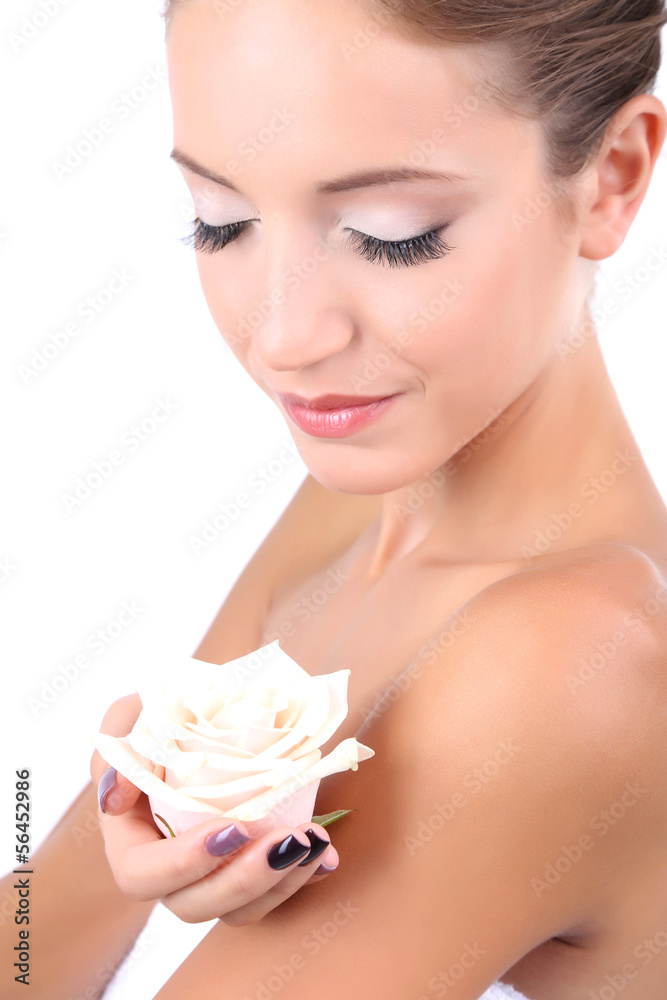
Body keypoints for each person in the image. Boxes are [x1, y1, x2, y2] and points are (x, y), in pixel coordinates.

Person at [4, 0, 667, 997]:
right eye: (220, 220)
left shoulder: (573, 660)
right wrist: (126, 826)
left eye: (390, 235)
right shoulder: (365, 500)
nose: (282, 337)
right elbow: (30, 947)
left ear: (613, 175)